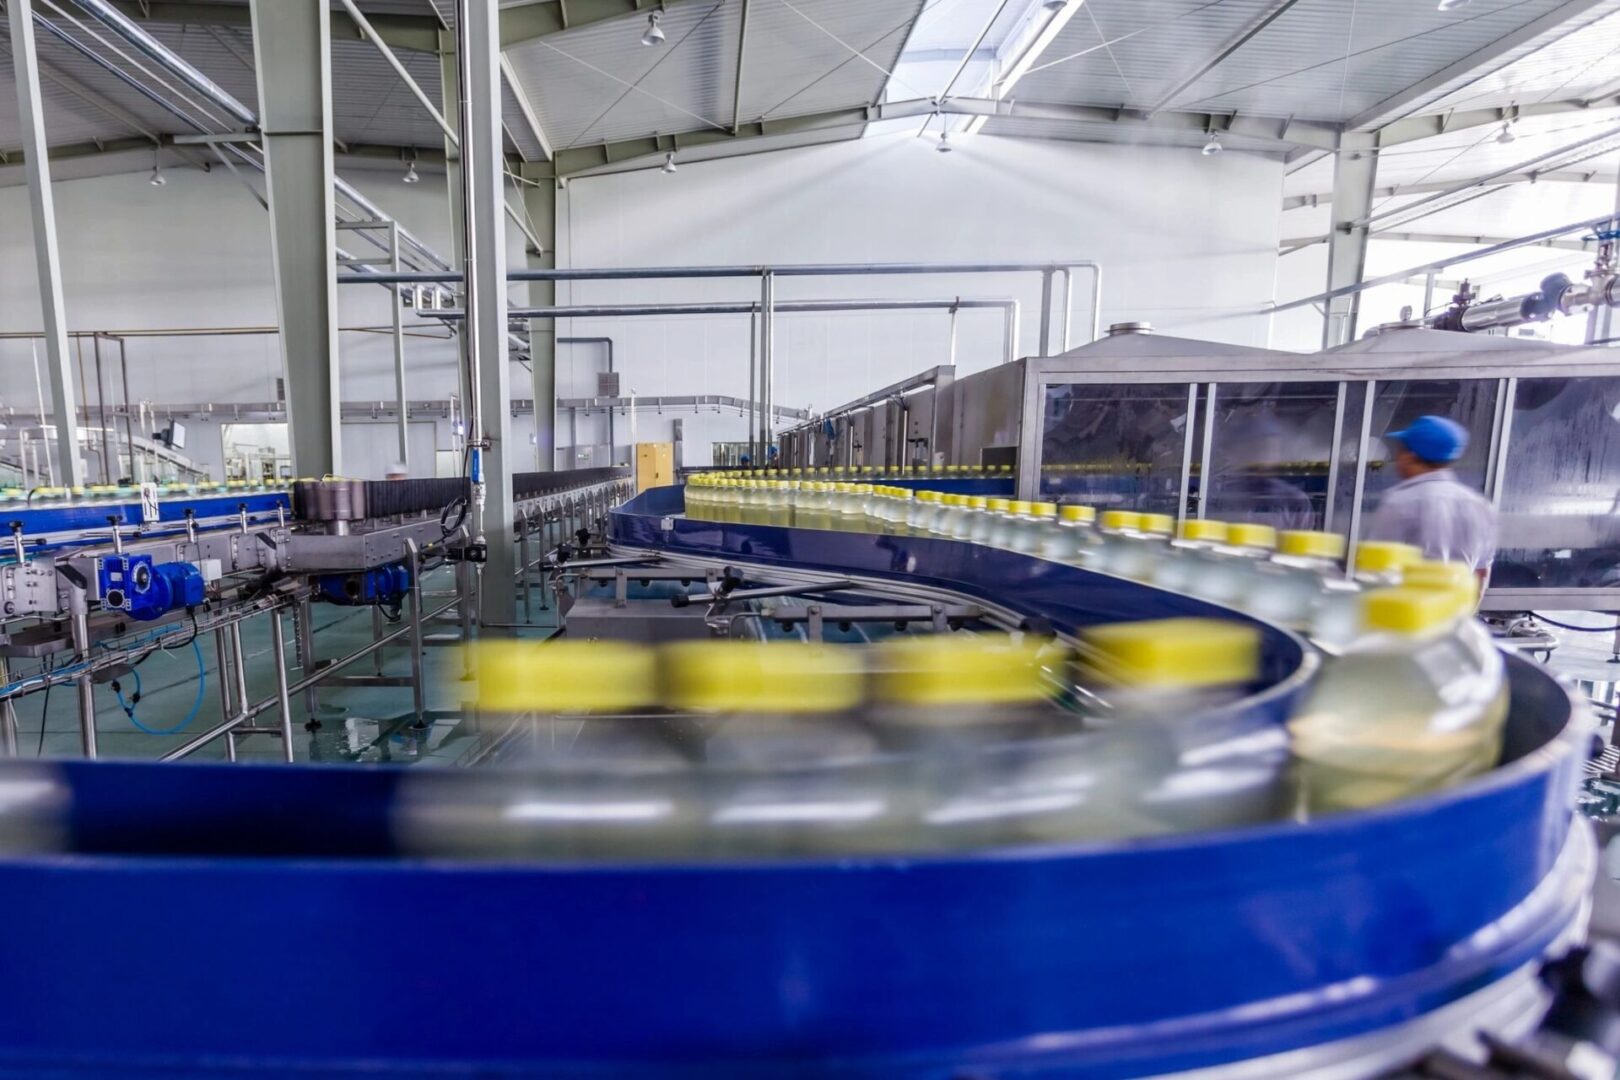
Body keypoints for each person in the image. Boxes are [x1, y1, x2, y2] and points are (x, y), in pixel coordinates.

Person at [1364, 415, 1497, 585]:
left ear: (1410, 456)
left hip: (1406, 608)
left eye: (1399, 451)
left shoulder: (1400, 502)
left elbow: (1376, 568)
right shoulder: (1481, 506)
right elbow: (1481, 572)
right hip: (1457, 608)